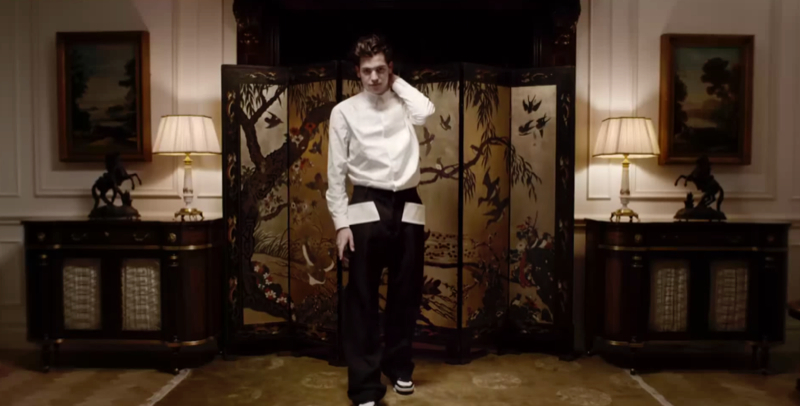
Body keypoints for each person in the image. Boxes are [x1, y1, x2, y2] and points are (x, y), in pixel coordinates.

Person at [326, 34, 435, 406]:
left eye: (380, 70)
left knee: (407, 292)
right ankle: (365, 387)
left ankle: (400, 366)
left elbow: (426, 111)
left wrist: (396, 82)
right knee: (362, 298)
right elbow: (335, 173)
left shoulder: (405, 105)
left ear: (390, 69)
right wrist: (341, 224)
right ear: (357, 72)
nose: (373, 77)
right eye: (366, 71)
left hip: (408, 202)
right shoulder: (343, 112)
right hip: (366, 203)